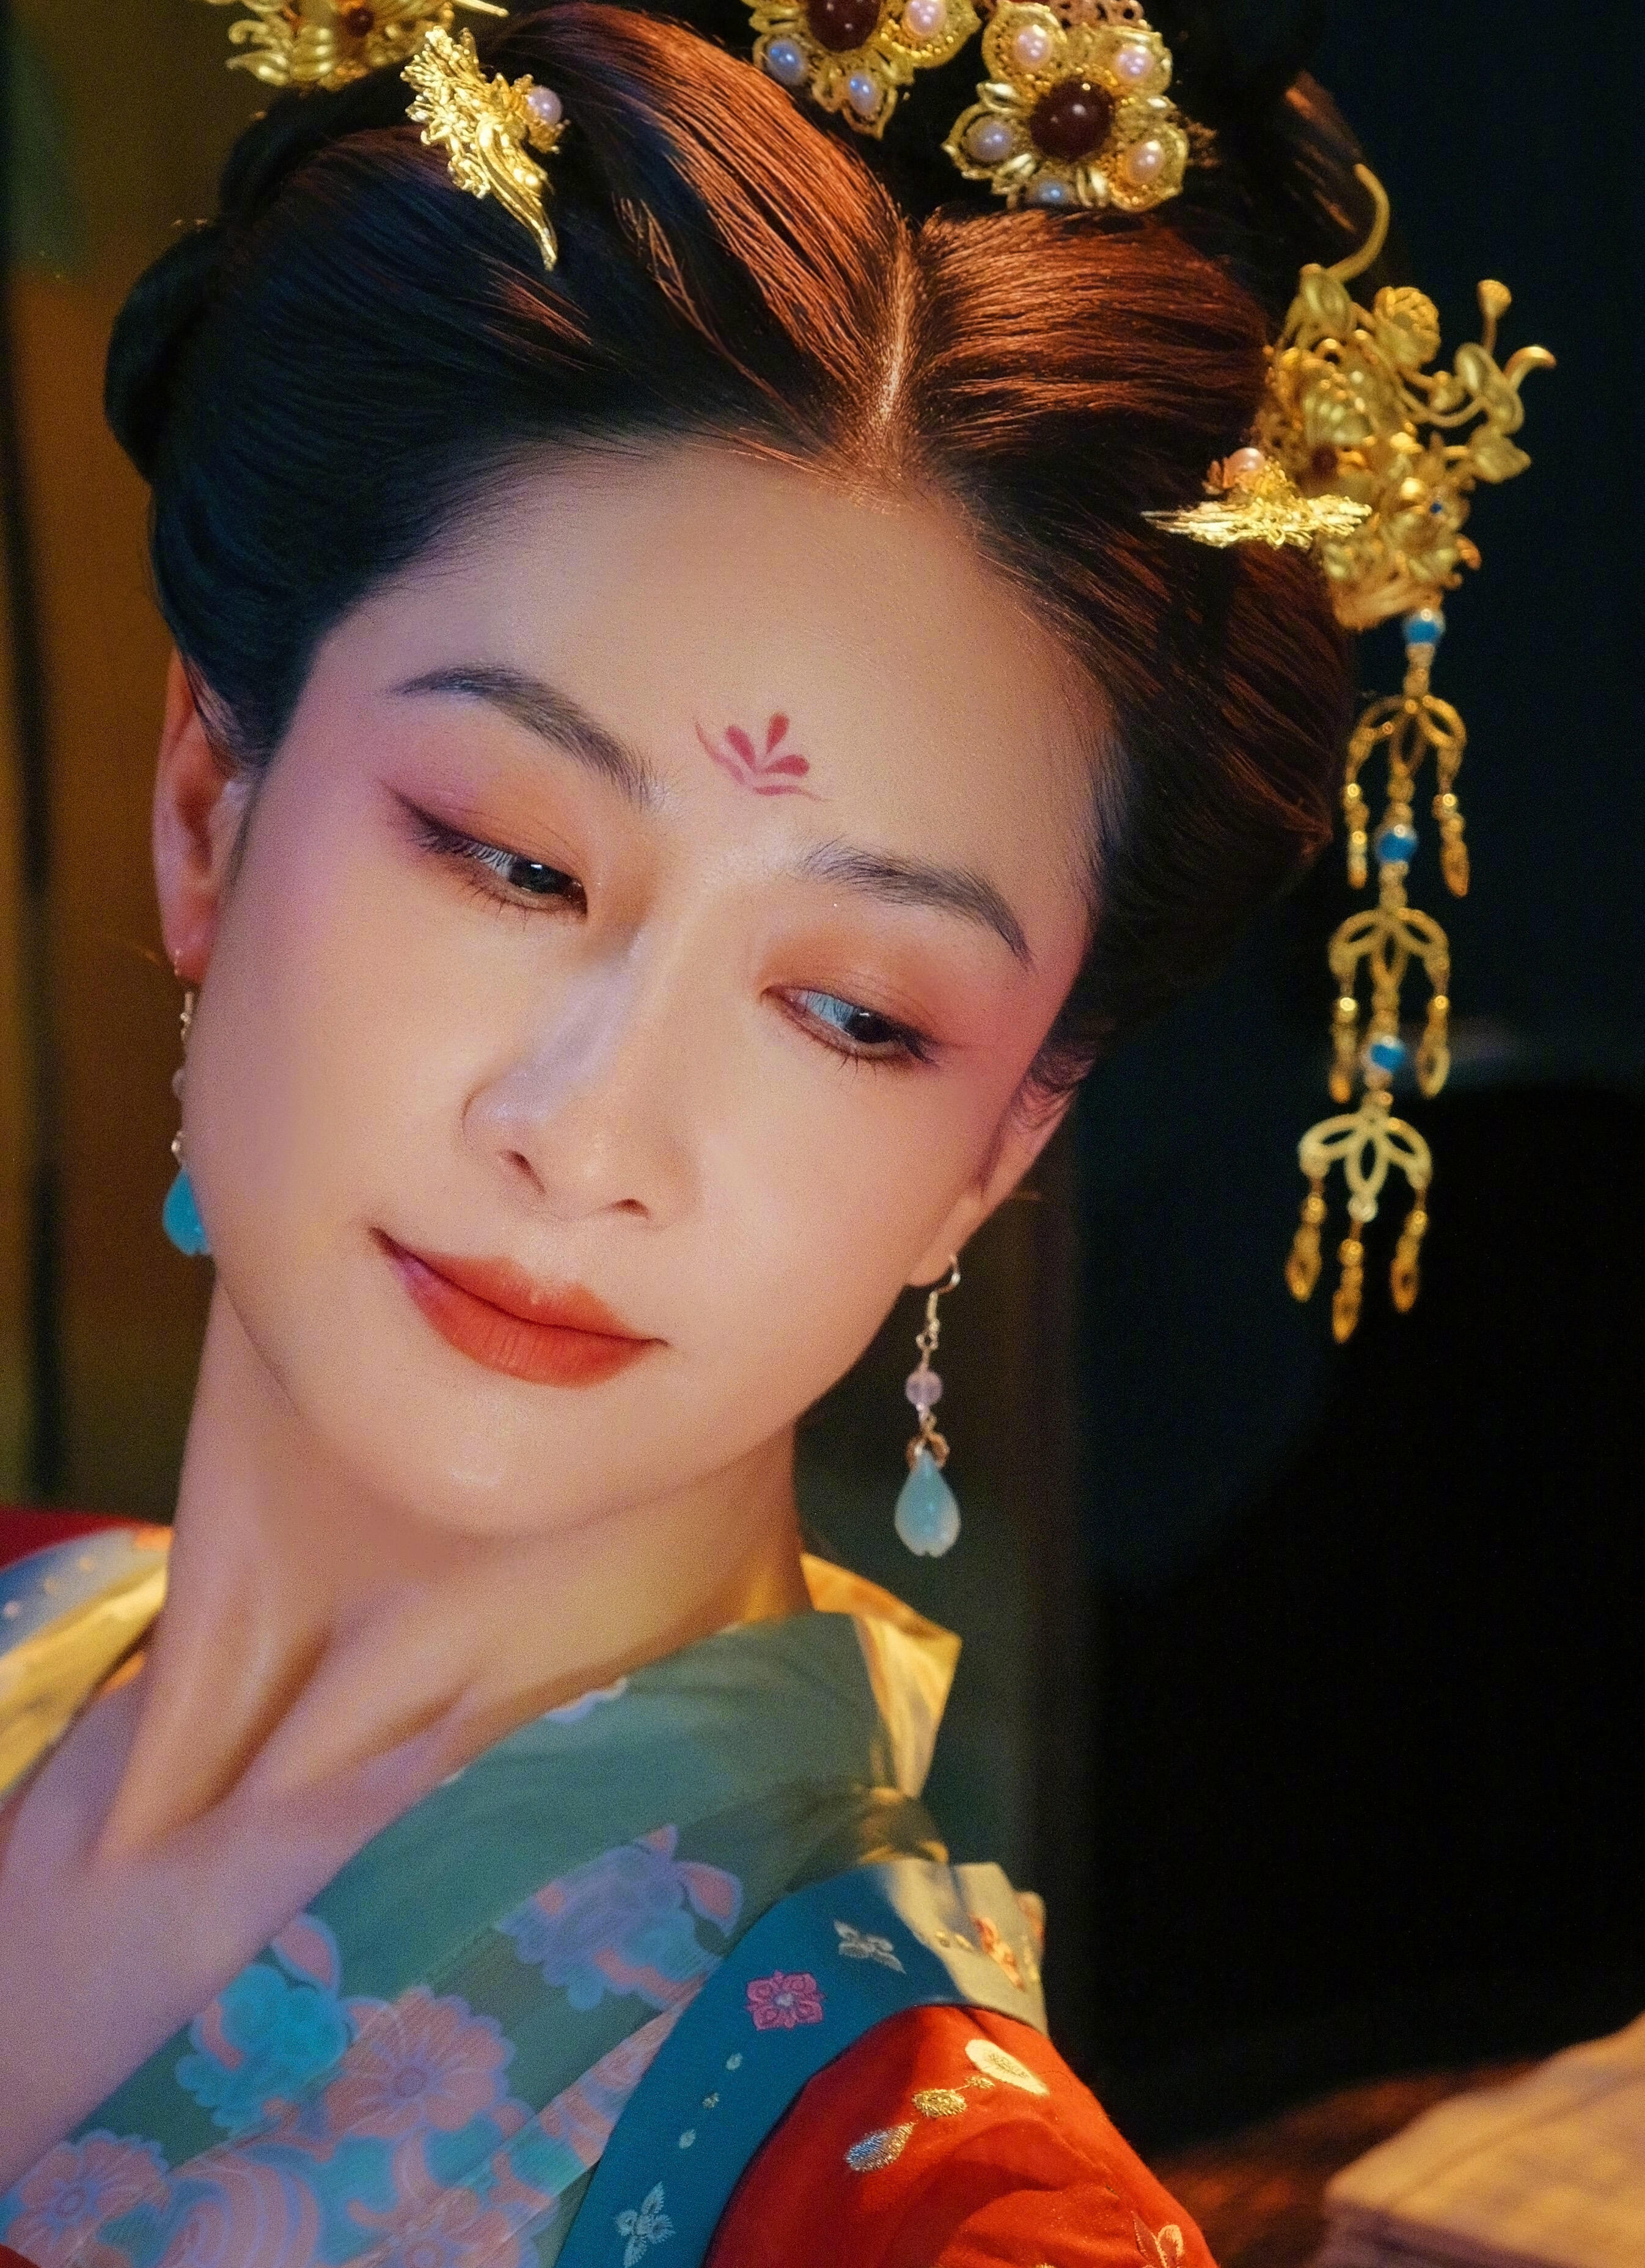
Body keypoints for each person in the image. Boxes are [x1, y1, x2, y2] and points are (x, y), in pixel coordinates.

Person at [0, 0, 1376, 2253]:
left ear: (1001, 1143)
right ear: (206, 804)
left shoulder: (939, 2219)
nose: (591, 1137)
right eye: (511, 859)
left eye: (852, 1012)